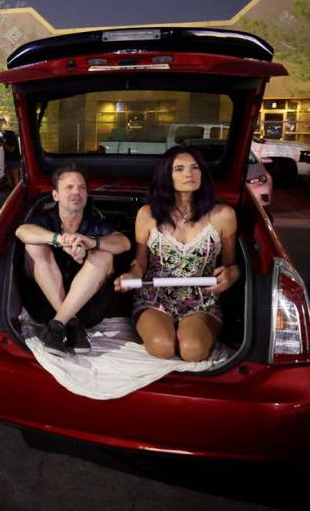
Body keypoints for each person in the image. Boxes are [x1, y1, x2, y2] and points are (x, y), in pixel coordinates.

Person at [115, 146, 239, 362]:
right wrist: (132, 275)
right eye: (179, 169)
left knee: (193, 350)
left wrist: (231, 275)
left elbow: (232, 265)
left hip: (202, 301)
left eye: (194, 167)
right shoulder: (147, 214)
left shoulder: (223, 215)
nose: (189, 174)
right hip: (154, 297)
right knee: (162, 347)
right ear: (167, 176)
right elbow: (140, 262)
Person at [15, 165, 131, 356]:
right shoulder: (44, 221)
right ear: (55, 195)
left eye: (82, 187)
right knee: (34, 245)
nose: (76, 192)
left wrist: (91, 242)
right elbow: (22, 231)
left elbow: (124, 243)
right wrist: (60, 240)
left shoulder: (95, 223)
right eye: (69, 187)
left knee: (104, 253)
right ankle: (70, 323)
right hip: (44, 309)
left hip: (89, 311)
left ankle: (58, 325)